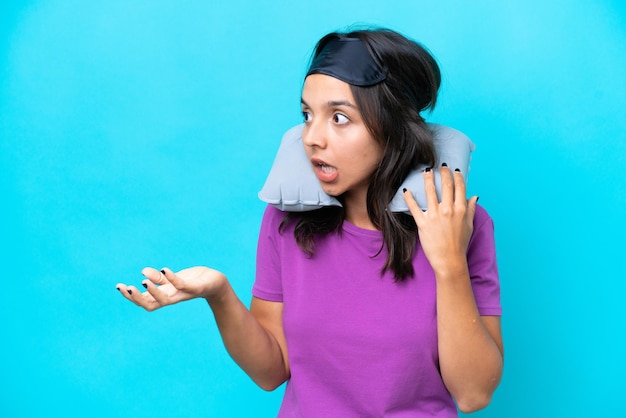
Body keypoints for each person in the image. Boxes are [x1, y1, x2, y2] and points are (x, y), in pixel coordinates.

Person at [116, 27, 503, 417]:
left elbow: (473, 395)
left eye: (338, 117)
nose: (312, 138)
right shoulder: (285, 222)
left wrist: (450, 262)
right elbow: (271, 371)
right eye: (307, 115)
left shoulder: (465, 225)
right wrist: (218, 293)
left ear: (394, 128)